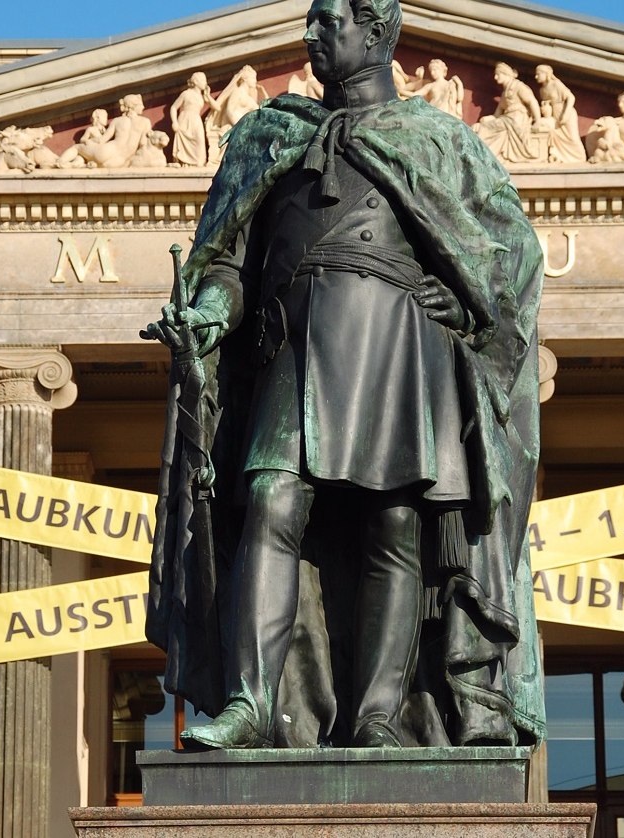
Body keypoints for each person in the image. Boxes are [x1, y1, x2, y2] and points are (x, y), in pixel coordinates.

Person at [144, 0, 545, 751]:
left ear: (379, 30)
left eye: (330, 21)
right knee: (269, 500)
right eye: (312, 20)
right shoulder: (267, 138)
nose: (313, 34)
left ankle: (378, 718)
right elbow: (229, 264)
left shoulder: (439, 141)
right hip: (293, 348)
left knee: (392, 523)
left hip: (399, 344)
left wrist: (463, 306)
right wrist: (206, 313)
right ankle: (252, 704)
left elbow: (510, 255)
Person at [473, 62, 541, 163]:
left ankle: (484, 155)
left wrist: (537, 121)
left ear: (505, 74)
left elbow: (532, 102)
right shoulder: (504, 93)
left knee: (487, 127)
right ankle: (484, 154)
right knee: (482, 126)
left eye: (498, 74)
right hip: (507, 119)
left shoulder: (518, 86)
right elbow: (497, 115)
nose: (496, 77)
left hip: (516, 120)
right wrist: (485, 120)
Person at [534, 65, 586, 163]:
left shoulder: (556, 84)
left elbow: (571, 98)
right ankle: (559, 157)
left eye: (538, 74)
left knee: (572, 138)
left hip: (566, 112)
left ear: (547, 74)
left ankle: (580, 158)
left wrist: (565, 114)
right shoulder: (542, 90)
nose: (536, 77)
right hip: (554, 116)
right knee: (555, 136)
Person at [170, 72, 217, 167]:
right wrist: (174, 122)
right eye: (203, 80)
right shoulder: (186, 93)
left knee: (200, 143)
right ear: (195, 81)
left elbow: (217, 107)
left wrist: (208, 95)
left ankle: (198, 164)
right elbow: (174, 107)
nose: (205, 83)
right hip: (185, 119)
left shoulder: (202, 96)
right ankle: (185, 164)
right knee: (186, 142)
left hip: (196, 120)